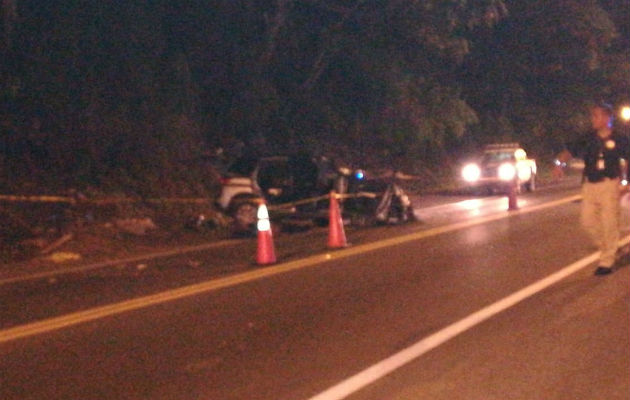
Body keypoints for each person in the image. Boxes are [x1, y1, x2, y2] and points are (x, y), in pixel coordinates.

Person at [554, 102, 630, 275]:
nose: (593, 119)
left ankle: (606, 262)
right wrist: (559, 164)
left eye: (596, 116)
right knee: (587, 222)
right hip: (589, 184)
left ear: (607, 118)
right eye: (593, 116)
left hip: (610, 184)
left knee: (609, 223)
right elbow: (570, 151)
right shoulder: (588, 136)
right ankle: (610, 247)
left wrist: (627, 183)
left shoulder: (620, 138)